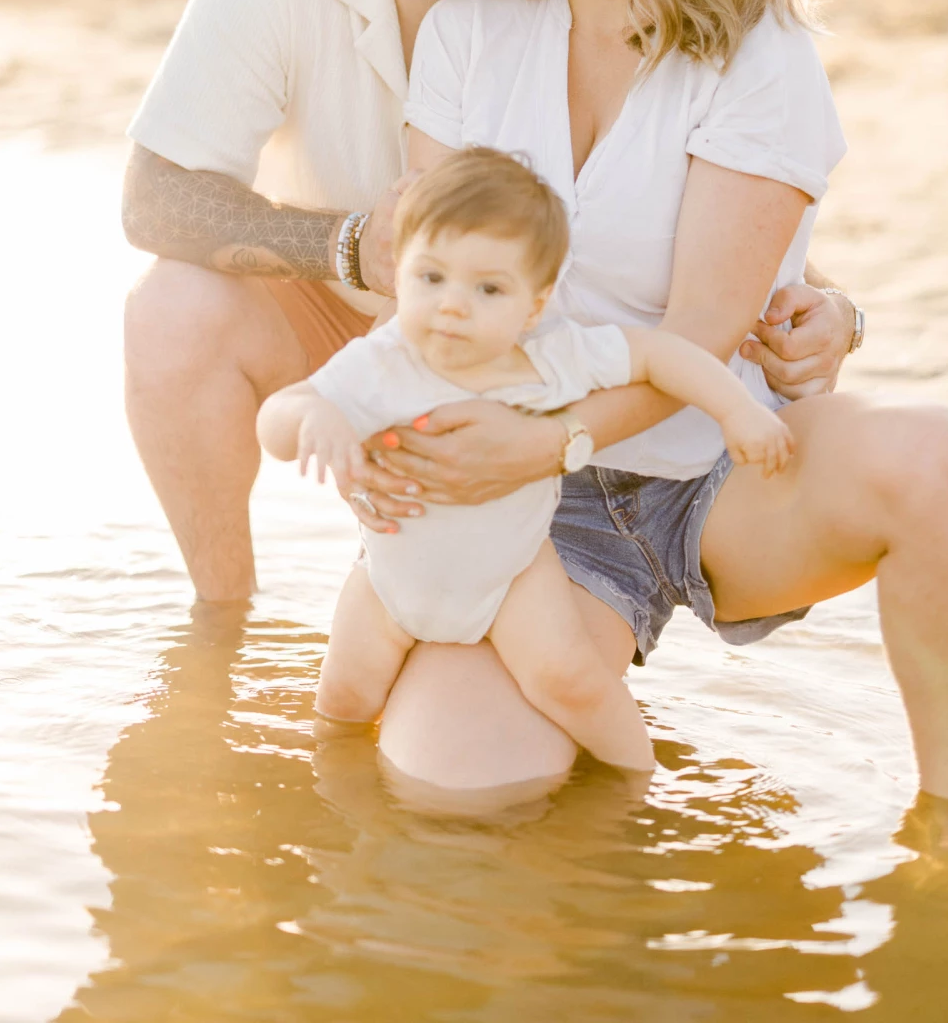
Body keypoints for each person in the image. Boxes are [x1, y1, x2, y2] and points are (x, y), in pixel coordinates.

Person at [363, 0, 948, 816]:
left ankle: (946, 838)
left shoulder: (755, 45)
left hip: (721, 470)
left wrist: (540, 444)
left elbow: (702, 331)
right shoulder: (471, 37)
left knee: (946, 469)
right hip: (538, 512)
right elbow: (442, 295)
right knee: (457, 796)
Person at [122, 0, 855, 603]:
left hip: (533, 349)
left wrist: (832, 303)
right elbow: (150, 200)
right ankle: (222, 621)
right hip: (356, 312)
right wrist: (353, 247)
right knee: (171, 307)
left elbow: (673, 178)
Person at [257, 146, 794, 778]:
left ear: (533, 306)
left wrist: (739, 411)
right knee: (343, 703)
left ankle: (637, 789)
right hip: (391, 583)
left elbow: (658, 356)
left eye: (487, 288)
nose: (453, 304)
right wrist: (313, 416)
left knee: (572, 683)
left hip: (510, 577)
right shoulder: (383, 362)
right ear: (400, 272)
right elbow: (278, 419)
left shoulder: (547, 359)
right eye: (431, 277)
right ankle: (339, 815)